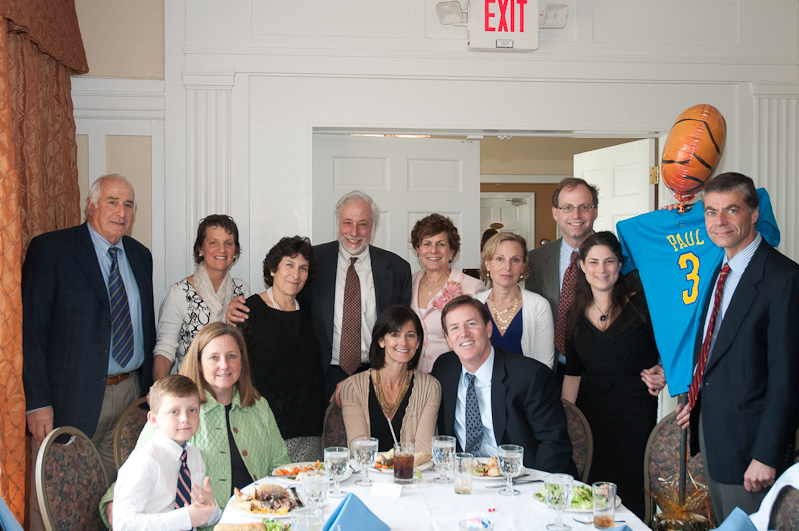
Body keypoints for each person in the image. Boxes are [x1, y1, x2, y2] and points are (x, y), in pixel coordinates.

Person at [22, 174, 156, 531]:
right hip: (69, 399)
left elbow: (146, 326)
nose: (121, 212)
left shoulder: (141, 256)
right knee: (56, 501)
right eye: (112, 201)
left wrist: (149, 392)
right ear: (91, 205)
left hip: (128, 394)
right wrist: (37, 402)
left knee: (116, 497)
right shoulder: (52, 250)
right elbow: (31, 332)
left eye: (128, 205)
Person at [676, 173, 799, 521]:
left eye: (731, 210)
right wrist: (696, 399)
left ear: (754, 213)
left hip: (751, 450)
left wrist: (766, 454)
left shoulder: (784, 278)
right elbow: (716, 350)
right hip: (715, 438)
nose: (720, 221)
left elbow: (787, 378)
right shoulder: (719, 269)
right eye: (711, 211)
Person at [101, 322, 290, 529]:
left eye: (232, 356)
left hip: (261, 521)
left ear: (242, 362)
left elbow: (281, 466)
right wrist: (113, 503)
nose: (224, 365)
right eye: (214, 357)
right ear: (199, 363)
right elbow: (143, 461)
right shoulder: (180, 412)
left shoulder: (258, 406)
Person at [229, 191, 412, 403]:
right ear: (338, 222)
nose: (354, 232)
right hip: (321, 377)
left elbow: (404, 331)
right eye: (347, 222)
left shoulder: (397, 269)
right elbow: (285, 300)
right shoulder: (311, 261)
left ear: (374, 226)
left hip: (378, 374)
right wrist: (241, 308)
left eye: (363, 224)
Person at [561, 231, 664, 519]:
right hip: (591, 414)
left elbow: (670, 352)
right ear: (582, 266)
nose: (601, 269)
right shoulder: (574, 313)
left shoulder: (643, 304)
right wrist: (567, 421)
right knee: (591, 488)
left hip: (635, 411)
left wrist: (664, 374)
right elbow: (572, 374)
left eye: (609, 261)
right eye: (593, 262)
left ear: (620, 264)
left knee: (631, 487)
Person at [431, 295, 575, 474]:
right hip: (464, 477)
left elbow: (554, 443)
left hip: (520, 478)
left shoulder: (531, 377)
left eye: (471, 324)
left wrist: (534, 485)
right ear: (448, 340)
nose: (464, 333)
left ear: (488, 329)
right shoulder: (444, 369)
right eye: (454, 328)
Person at [241, 236, 325, 462]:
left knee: (305, 484)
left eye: (303, 268)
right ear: (272, 269)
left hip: (308, 430)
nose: (296, 274)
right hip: (262, 427)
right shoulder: (247, 311)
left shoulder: (310, 312)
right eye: (289, 264)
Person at [113, 374, 221, 530]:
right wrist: (185, 518)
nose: (185, 418)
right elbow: (123, 524)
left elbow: (202, 518)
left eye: (192, 410)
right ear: (154, 420)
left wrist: (210, 507)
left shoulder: (194, 455)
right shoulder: (144, 461)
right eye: (174, 412)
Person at [154, 214, 250, 380]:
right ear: (200, 249)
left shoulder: (242, 291)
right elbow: (165, 349)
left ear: (235, 250)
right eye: (213, 243)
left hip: (232, 386)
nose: (222, 249)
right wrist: (159, 391)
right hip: (191, 388)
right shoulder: (179, 293)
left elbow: (247, 345)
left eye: (228, 243)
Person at [525, 178, 600, 385]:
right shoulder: (536, 259)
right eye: (567, 208)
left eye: (584, 207)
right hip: (552, 369)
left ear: (595, 211)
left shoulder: (615, 256)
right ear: (555, 212)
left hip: (601, 370)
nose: (576, 215)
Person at [340, 305, 441, 453]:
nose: (403, 342)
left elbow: (424, 451)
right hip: (369, 468)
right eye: (395, 335)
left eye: (411, 335)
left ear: (419, 342)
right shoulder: (353, 387)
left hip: (411, 468)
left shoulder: (430, 387)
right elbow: (359, 450)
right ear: (381, 340)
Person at [409, 214, 485, 373]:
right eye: (427, 243)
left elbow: (480, 337)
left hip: (453, 372)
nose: (433, 250)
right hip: (412, 374)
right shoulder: (408, 282)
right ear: (418, 249)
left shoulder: (472, 287)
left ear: (452, 251)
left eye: (441, 244)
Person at [475, 232, 555, 369]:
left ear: (523, 266)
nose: (507, 267)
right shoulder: (474, 304)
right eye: (500, 259)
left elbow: (545, 363)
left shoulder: (539, 306)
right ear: (487, 264)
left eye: (515, 260)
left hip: (527, 381)